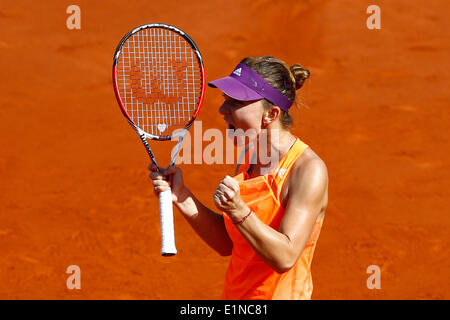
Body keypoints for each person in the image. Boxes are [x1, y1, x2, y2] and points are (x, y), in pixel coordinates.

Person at [149, 56, 328, 300]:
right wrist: (181, 196)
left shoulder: (308, 171)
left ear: (271, 114)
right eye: (225, 100)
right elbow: (229, 243)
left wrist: (238, 210)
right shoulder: (249, 156)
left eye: (235, 102)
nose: (222, 110)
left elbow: (285, 257)